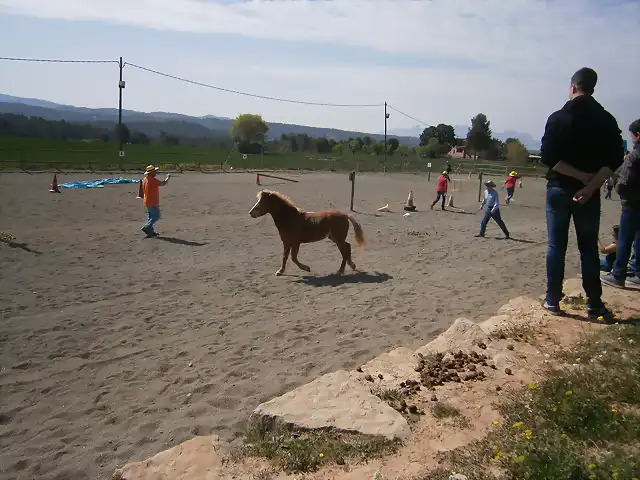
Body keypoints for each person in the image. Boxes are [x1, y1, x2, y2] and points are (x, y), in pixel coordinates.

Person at [540, 67, 624, 320]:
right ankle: (594, 304)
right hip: (590, 193)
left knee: (557, 246)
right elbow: (615, 158)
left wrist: (579, 177)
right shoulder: (606, 120)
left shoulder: (557, 118)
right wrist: (590, 185)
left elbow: (549, 158)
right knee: (588, 248)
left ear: (573, 87)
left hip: (558, 189)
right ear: (592, 88)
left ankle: (553, 300)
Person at [601, 119, 640, 288]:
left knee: (624, 239)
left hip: (632, 203)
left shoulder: (634, 155)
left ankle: (618, 275)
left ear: (637, 135)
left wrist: (616, 183)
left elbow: (624, 184)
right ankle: (636, 271)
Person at [141, 164, 171, 237]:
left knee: (151, 216)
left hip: (147, 200)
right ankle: (147, 226)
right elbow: (163, 183)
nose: (155, 173)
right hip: (152, 201)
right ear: (151, 173)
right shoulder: (152, 180)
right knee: (156, 216)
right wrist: (168, 177)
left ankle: (151, 231)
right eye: (154, 171)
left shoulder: (145, 179)